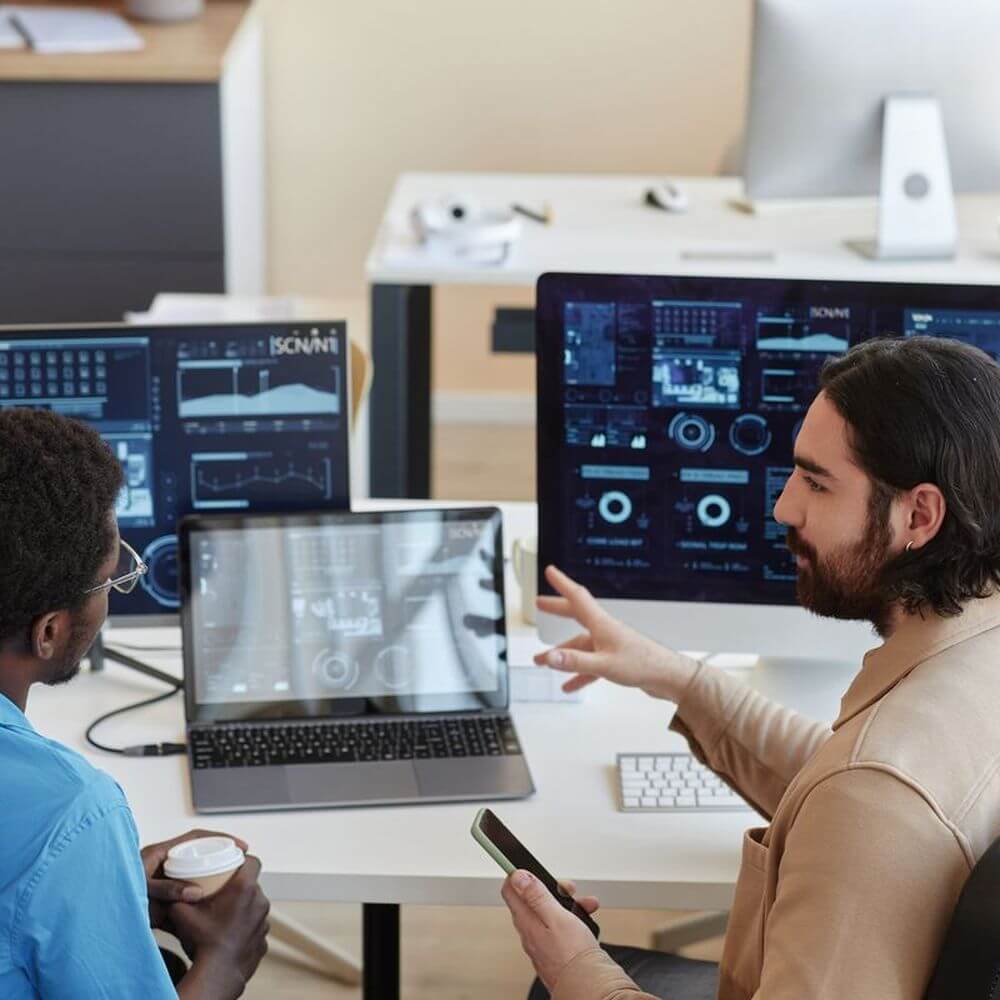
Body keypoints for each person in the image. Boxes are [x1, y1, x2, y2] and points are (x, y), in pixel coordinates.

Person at [502, 335, 1000, 1000]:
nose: (783, 508)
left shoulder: (873, 800)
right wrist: (675, 677)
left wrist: (569, 966)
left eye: (817, 483)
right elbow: (836, 785)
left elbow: (861, 800)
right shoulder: (972, 652)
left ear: (919, 515)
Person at [0, 408, 271, 999]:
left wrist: (97, 882)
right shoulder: (69, 812)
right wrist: (228, 959)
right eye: (109, 580)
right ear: (47, 631)